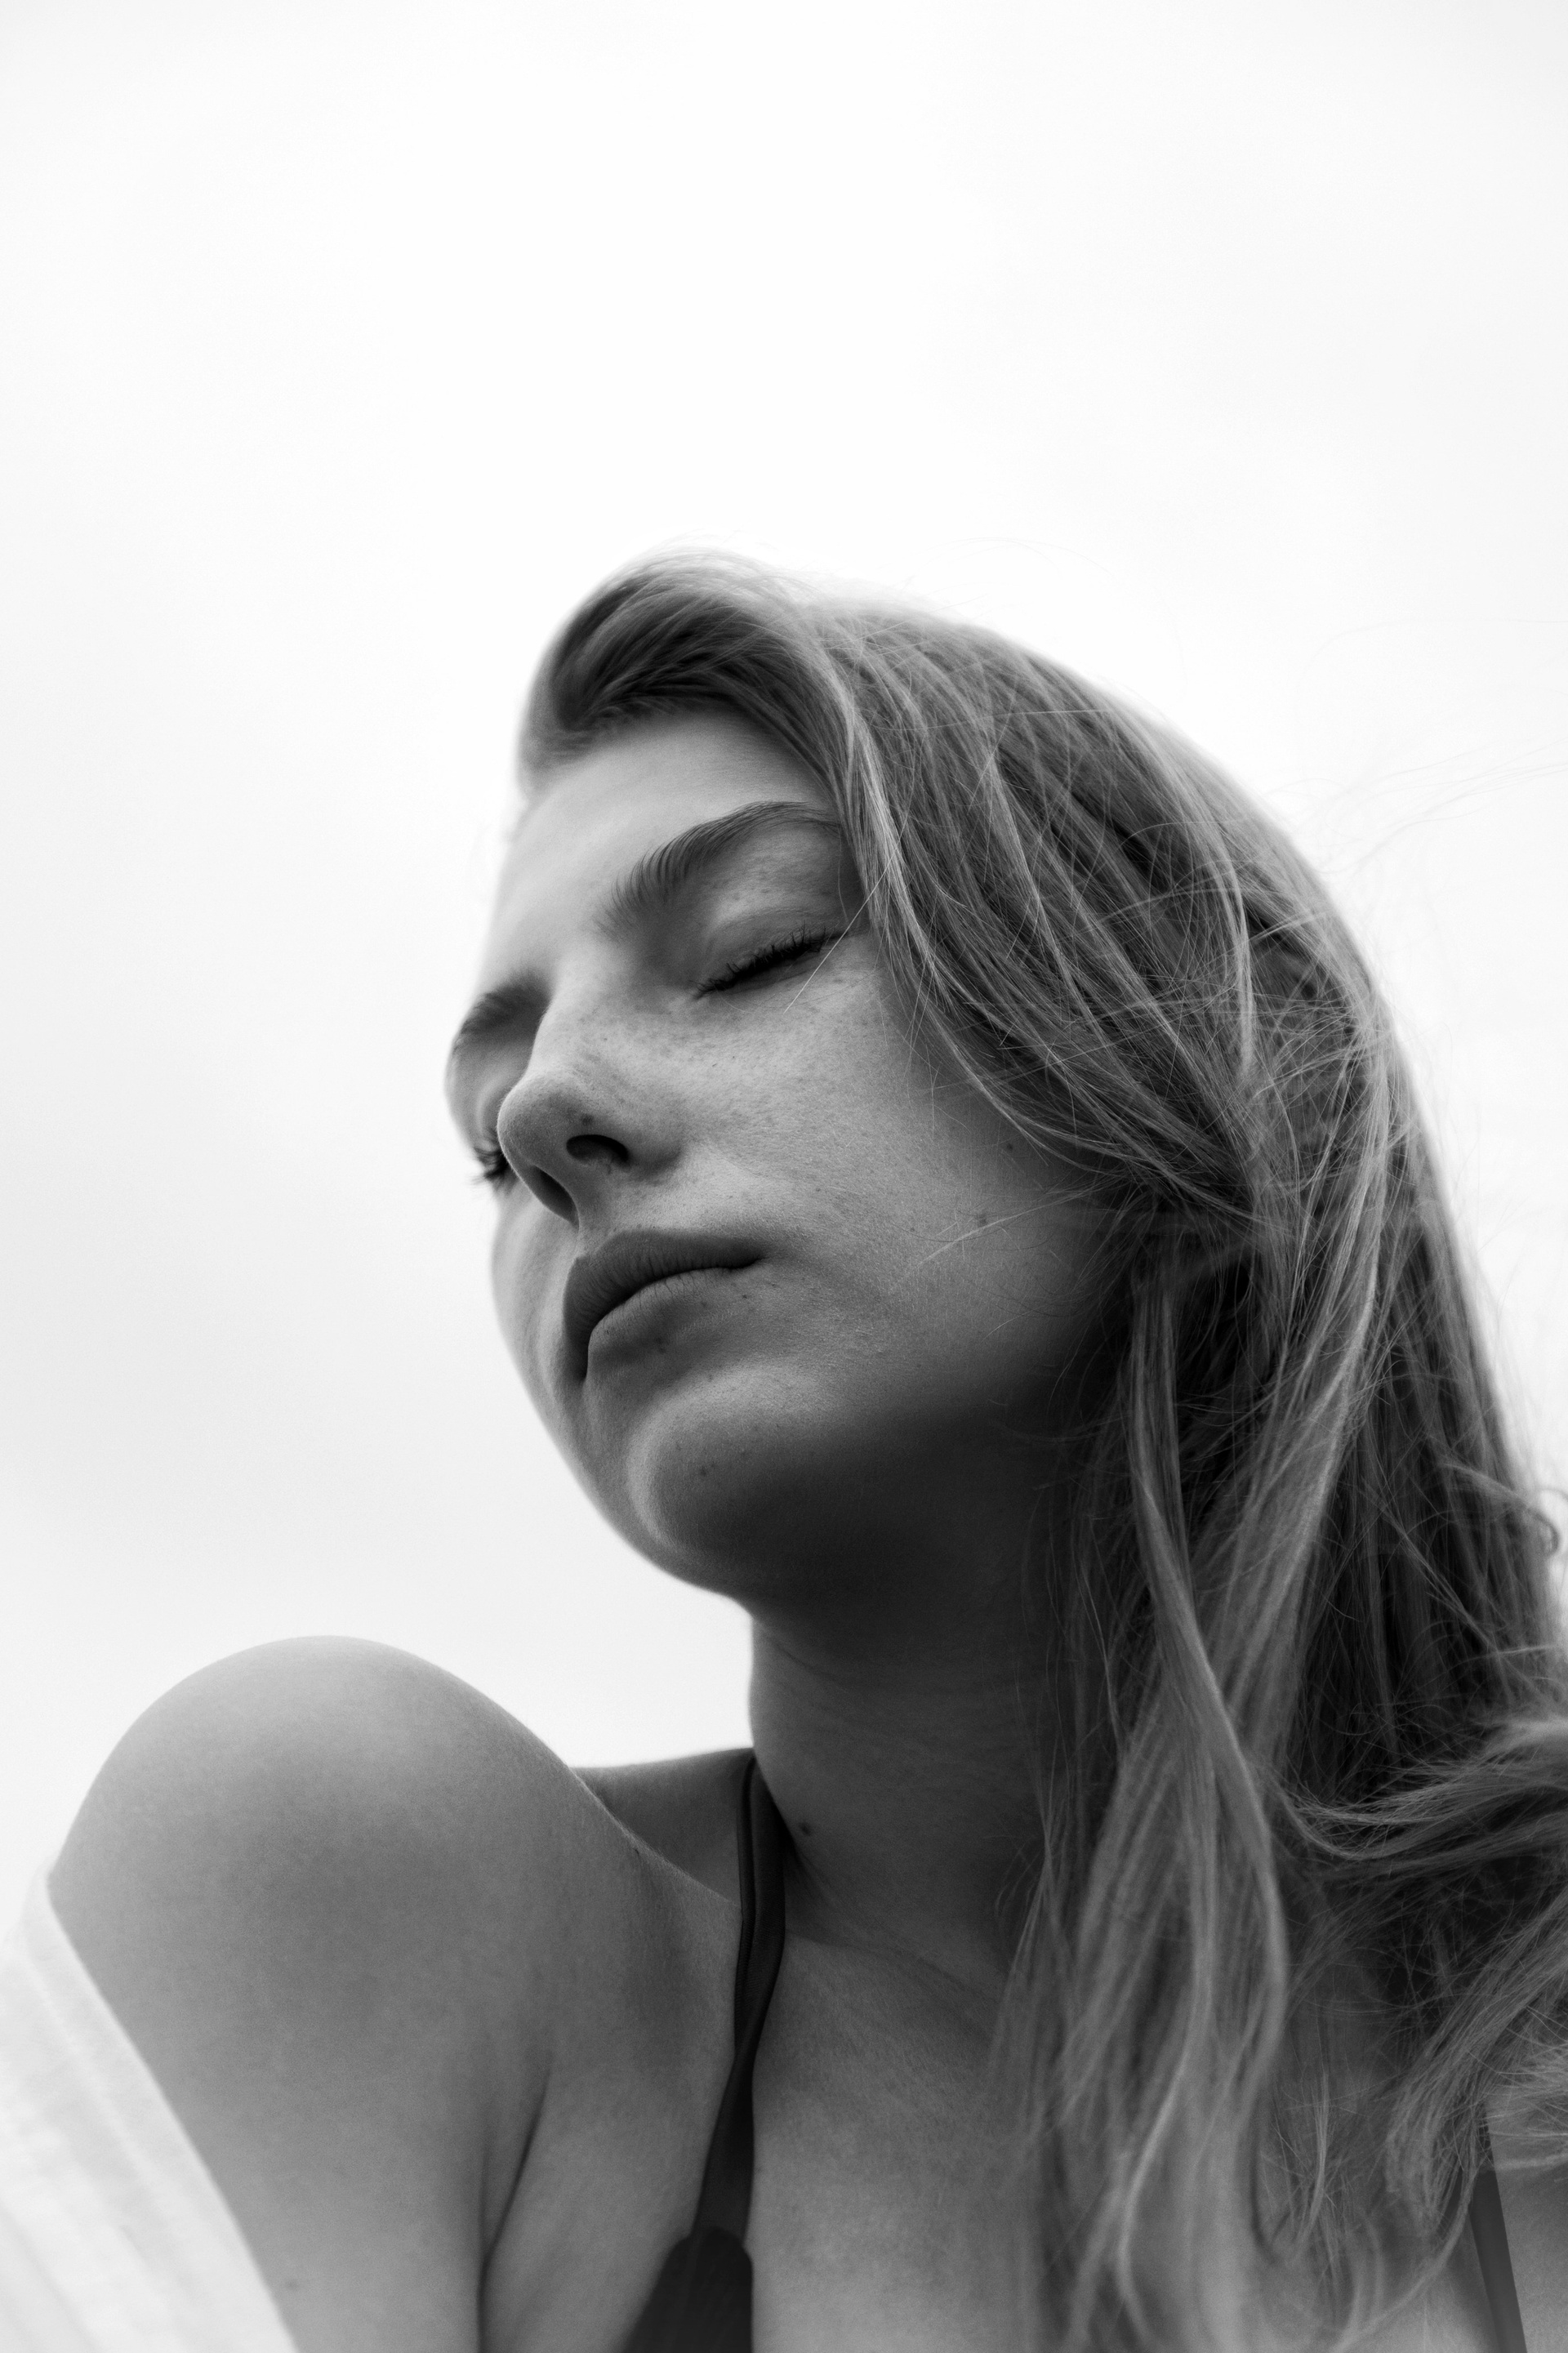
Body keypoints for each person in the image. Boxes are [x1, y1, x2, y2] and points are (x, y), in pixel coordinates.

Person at [2, 555, 1565, 2352]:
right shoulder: (349, 1870)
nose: (545, 1109)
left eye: (754, 951)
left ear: (1193, 1042)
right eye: (487, 1144)